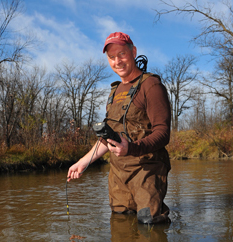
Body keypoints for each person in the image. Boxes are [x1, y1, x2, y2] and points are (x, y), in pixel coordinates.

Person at [67, 32, 171, 224]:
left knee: (150, 228)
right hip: (118, 176)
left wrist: (130, 148)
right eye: (112, 57)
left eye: (122, 54)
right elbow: (108, 139)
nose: (117, 61)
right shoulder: (114, 92)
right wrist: (83, 162)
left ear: (134, 52)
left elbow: (163, 134)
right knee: (120, 226)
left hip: (146, 171)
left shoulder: (151, 85)